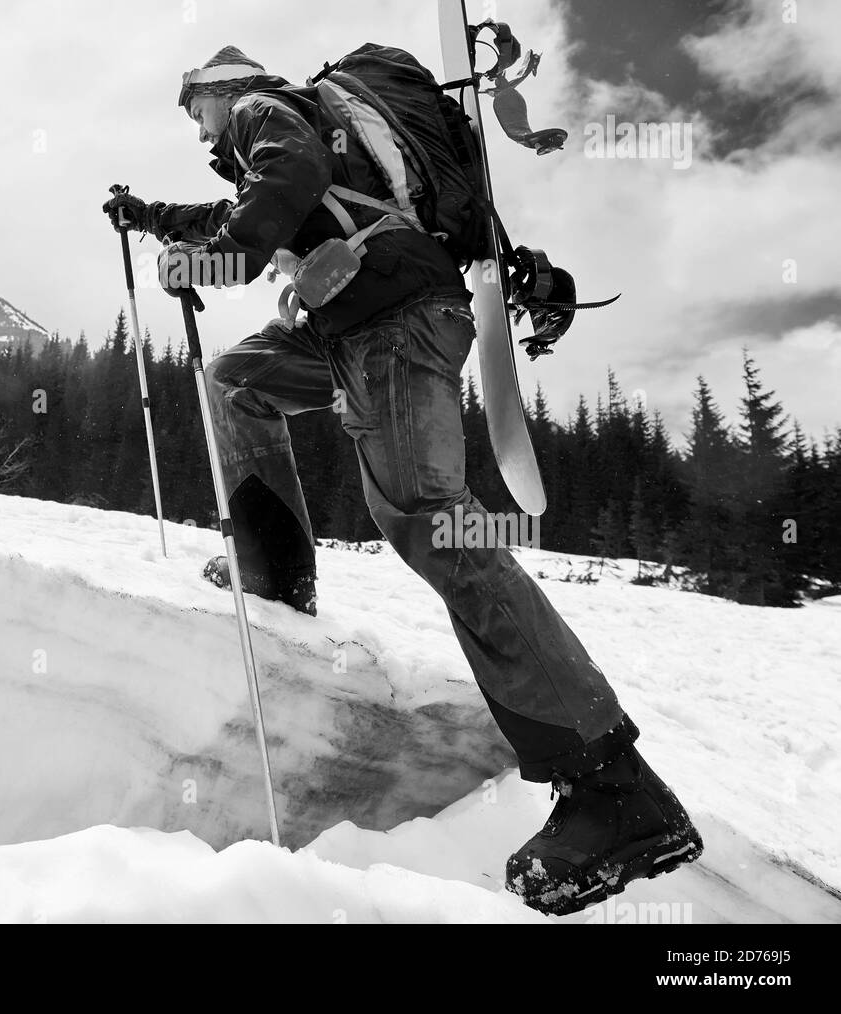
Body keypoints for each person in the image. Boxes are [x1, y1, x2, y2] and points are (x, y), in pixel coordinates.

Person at [101, 44, 703, 916]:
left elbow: (283, 185)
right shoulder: (280, 132)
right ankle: (277, 573)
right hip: (353, 329)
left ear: (220, 90)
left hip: (396, 320)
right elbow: (247, 206)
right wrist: (154, 217)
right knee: (236, 380)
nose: (191, 124)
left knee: (430, 518)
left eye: (188, 103)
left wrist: (205, 261)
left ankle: (614, 789)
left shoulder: (265, 113)